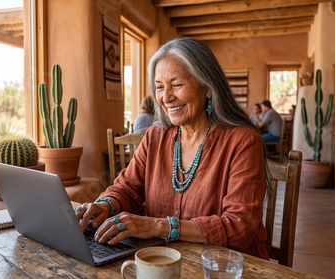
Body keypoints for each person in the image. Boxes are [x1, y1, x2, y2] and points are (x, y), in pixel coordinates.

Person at [74, 37, 269, 260]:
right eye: (159, 87)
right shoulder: (155, 136)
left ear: (207, 87)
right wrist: (105, 205)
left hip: (223, 266)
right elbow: (127, 188)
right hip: (162, 260)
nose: (166, 98)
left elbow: (239, 226)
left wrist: (158, 227)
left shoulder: (243, 141)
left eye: (177, 85)